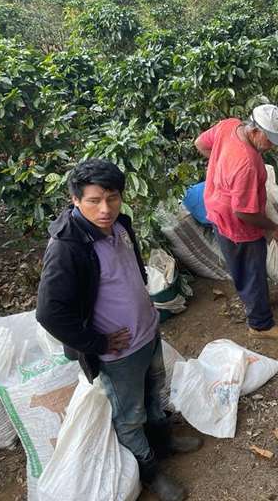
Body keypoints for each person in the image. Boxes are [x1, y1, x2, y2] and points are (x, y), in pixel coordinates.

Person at [36, 159, 203, 501]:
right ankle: (151, 473)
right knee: (130, 416)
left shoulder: (120, 225)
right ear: (75, 200)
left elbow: (130, 272)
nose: (105, 209)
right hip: (117, 353)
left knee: (154, 394)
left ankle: (164, 441)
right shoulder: (67, 249)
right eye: (94, 200)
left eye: (112, 198)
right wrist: (96, 342)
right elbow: (49, 313)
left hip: (147, 334)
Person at [195, 105, 278, 340]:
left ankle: (254, 300)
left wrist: (220, 166)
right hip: (237, 223)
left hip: (217, 209)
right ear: (256, 131)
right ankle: (260, 325)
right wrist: (272, 227)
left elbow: (200, 143)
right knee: (252, 270)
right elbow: (244, 213)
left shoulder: (229, 125)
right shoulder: (246, 163)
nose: (273, 146)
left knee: (241, 267)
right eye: (270, 140)